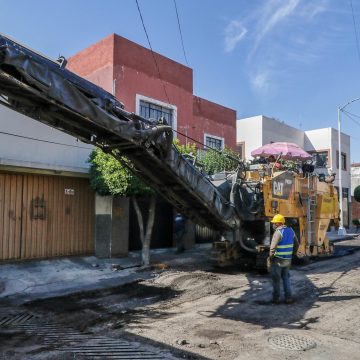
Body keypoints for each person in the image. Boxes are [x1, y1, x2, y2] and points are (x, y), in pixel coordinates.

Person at [268, 214, 299, 304]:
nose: (273, 224)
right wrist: (292, 254)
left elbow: (273, 248)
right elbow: (296, 244)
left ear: (278, 223)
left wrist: (270, 258)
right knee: (286, 278)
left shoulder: (278, 232)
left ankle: (276, 299)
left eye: (274, 223)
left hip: (278, 260)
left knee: (276, 280)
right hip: (288, 259)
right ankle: (288, 298)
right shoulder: (291, 231)